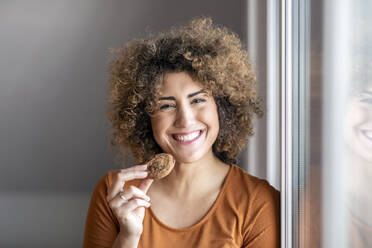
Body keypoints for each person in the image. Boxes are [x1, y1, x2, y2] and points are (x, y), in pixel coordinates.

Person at [83, 18, 280, 248]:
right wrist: (128, 236)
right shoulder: (115, 193)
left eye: (197, 100)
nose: (185, 120)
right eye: (166, 105)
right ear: (145, 116)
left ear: (222, 106)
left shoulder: (258, 202)